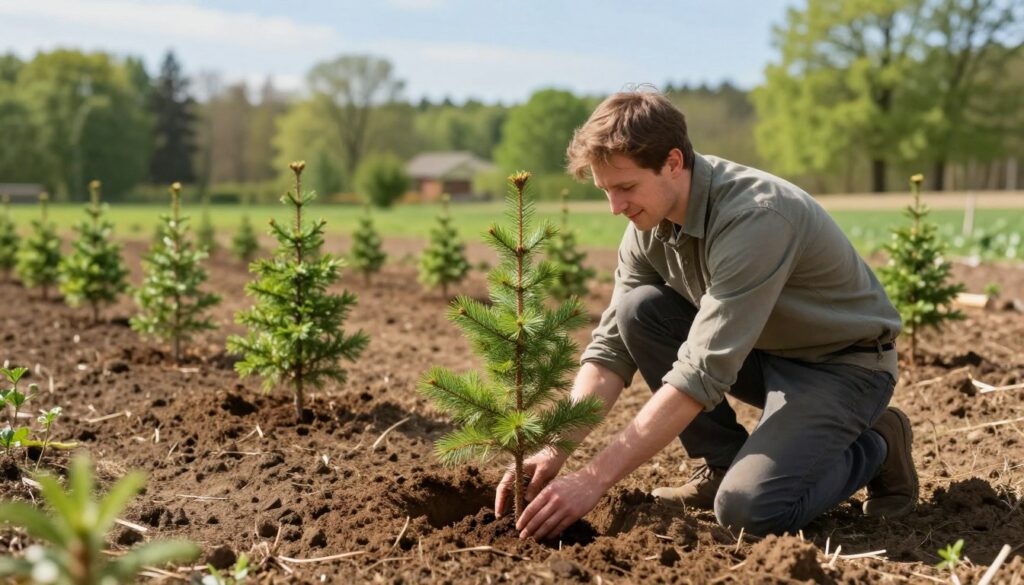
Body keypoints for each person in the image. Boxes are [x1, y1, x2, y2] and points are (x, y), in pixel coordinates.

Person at [494, 89, 918, 541]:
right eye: (605, 192)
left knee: (748, 511)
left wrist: (594, 478)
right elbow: (611, 346)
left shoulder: (756, 217)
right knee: (640, 311)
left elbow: (701, 372)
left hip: (843, 368)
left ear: (673, 162)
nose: (615, 207)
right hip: (762, 354)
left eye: (626, 187)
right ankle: (722, 464)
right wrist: (556, 447)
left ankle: (877, 443)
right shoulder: (648, 226)